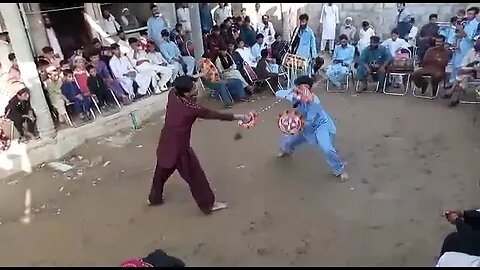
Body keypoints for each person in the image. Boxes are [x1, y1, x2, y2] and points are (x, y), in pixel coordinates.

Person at [147, 75, 252, 214]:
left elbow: (182, 87)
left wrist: (194, 77)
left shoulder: (173, 94)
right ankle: (209, 204)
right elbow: (216, 115)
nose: (196, 87)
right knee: (196, 177)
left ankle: (154, 199)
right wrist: (241, 116)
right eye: (193, 87)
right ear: (186, 93)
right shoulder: (192, 108)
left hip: (165, 142)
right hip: (180, 148)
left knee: (161, 170)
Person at [276, 75, 349, 181]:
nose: (298, 89)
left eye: (300, 87)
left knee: (327, 149)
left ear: (306, 87)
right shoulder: (294, 94)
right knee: (287, 141)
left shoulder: (315, 101)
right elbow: (278, 93)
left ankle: (339, 169)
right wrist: (292, 91)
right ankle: (287, 150)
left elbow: (309, 121)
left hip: (319, 126)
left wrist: (293, 124)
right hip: (303, 125)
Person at [446, 7, 480, 89]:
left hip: (467, 49)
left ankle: (458, 87)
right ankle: (452, 83)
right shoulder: (465, 22)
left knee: (460, 67)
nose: (468, 15)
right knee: (454, 65)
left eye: (471, 14)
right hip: (458, 46)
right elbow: (458, 34)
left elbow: (472, 38)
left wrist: (461, 31)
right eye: (468, 13)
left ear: (476, 15)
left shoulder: (476, 25)